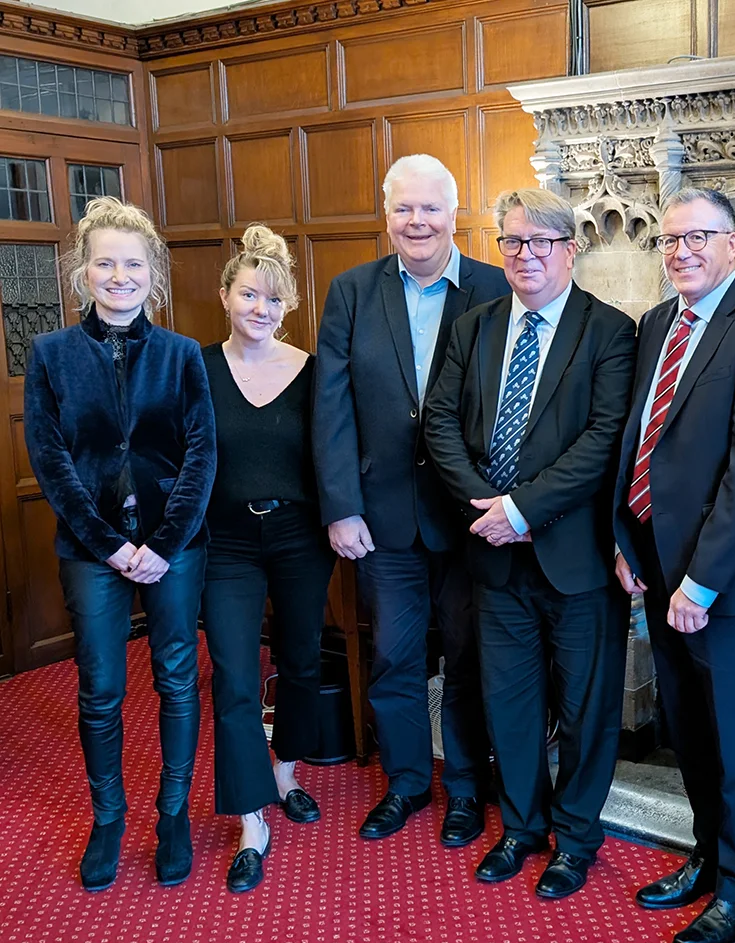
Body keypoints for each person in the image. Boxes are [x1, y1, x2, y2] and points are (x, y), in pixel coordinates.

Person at [424, 187, 635, 899]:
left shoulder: (610, 331)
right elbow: (440, 423)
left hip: (576, 559)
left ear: (569, 251)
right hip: (491, 551)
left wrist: (522, 508)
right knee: (508, 704)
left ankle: (574, 840)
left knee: (584, 711)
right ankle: (520, 828)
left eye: (541, 242)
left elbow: (604, 440)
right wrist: (484, 505)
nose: (525, 256)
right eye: (512, 241)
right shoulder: (475, 328)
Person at [612, 187, 735, 943]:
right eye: (670, 239)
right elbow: (639, 441)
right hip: (658, 567)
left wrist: (702, 582)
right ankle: (707, 856)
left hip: (725, 583)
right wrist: (625, 545)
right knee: (688, 732)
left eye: (699, 237)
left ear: (732, 245)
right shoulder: (658, 324)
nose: (682, 251)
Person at [312, 154, 509, 847]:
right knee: (395, 657)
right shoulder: (351, 291)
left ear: (453, 214)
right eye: (404, 208)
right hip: (382, 516)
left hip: (472, 516)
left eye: (430, 208)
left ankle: (466, 787)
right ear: (387, 215)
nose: (417, 221)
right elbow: (331, 405)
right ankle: (406, 782)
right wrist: (341, 505)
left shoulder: (495, 286)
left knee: (467, 657)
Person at [24, 197, 216, 891]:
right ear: (83, 271)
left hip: (175, 545)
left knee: (176, 679)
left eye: (133, 264)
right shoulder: (50, 355)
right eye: (105, 263)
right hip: (90, 550)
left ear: (153, 273)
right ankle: (109, 818)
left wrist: (164, 543)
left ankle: (173, 814)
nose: (119, 276)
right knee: (101, 687)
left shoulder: (182, 355)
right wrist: (109, 545)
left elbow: (201, 454)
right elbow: (51, 462)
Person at [201, 226, 335, 893]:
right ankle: (251, 819)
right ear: (226, 296)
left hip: (299, 536)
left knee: (301, 659)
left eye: (273, 299)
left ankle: (286, 773)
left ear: (288, 306)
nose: (261, 308)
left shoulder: (311, 371)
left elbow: (332, 454)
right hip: (225, 543)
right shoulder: (197, 368)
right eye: (249, 294)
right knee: (233, 675)